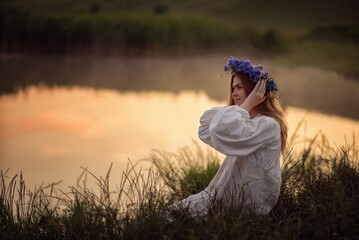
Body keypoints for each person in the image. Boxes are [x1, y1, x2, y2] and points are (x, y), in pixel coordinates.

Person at [168, 57, 288, 216]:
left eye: (239, 87)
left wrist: (246, 105)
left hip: (249, 203)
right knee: (173, 212)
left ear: (254, 91)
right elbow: (208, 127)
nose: (234, 93)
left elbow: (220, 128)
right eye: (233, 88)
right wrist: (243, 108)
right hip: (234, 198)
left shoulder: (268, 125)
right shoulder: (247, 122)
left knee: (175, 215)